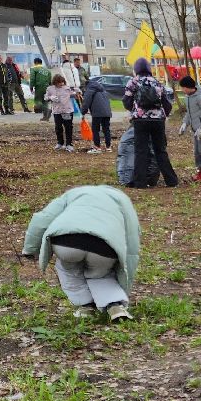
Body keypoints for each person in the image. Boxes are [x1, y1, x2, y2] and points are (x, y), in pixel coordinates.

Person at [21, 184, 139, 323]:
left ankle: (85, 306)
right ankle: (115, 306)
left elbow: (42, 219)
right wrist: (126, 281)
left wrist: (30, 249)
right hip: (105, 246)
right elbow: (132, 237)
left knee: (68, 271)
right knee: (101, 275)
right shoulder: (122, 199)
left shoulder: (73, 193)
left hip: (66, 242)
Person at [123, 56, 179, 188]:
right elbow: (167, 104)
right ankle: (171, 181)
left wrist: (135, 110)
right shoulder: (157, 82)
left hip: (140, 121)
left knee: (141, 151)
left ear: (136, 69)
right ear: (149, 69)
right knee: (160, 150)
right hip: (158, 121)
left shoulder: (133, 82)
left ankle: (140, 182)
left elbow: (126, 101)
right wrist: (163, 115)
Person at [44, 73, 77, 151]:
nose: (61, 84)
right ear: (55, 82)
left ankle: (69, 144)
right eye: (59, 82)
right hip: (57, 111)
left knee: (68, 127)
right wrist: (50, 97)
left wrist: (77, 91)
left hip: (67, 111)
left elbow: (75, 95)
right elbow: (46, 97)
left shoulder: (67, 88)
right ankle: (60, 143)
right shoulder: (50, 89)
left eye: (62, 82)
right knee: (58, 127)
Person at [82, 74, 113, 154]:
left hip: (97, 112)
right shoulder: (102, 89)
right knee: (106, 129)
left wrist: (83, 112)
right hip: (107, 112)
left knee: (95, 129)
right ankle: (108, 147)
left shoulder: (90, 89)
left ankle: (97, 147)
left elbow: (86, 102)